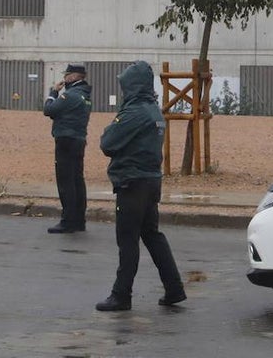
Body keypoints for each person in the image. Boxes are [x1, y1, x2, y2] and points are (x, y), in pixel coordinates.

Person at [95, 60, 186, 311]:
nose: (123, 90)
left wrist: (114, 125)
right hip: (150, 181)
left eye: (125, 85)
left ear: (133, 86)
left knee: (127, 240)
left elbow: (107, 143)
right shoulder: (154, 111)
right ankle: (174, 288)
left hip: (132, 182)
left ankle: (121, 295)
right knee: (153, 236)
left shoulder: (134, 113)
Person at [43, 63, 93, 234]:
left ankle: (68, 220)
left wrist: (53, 93)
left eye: (66, 75)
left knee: (66, 182)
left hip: (65, 140)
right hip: (79, 140)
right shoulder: (85, 96)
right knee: (77, 180)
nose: (64, 78)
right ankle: (79, 220)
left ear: (73, 77)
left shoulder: (70, 96)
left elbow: (48, 110)